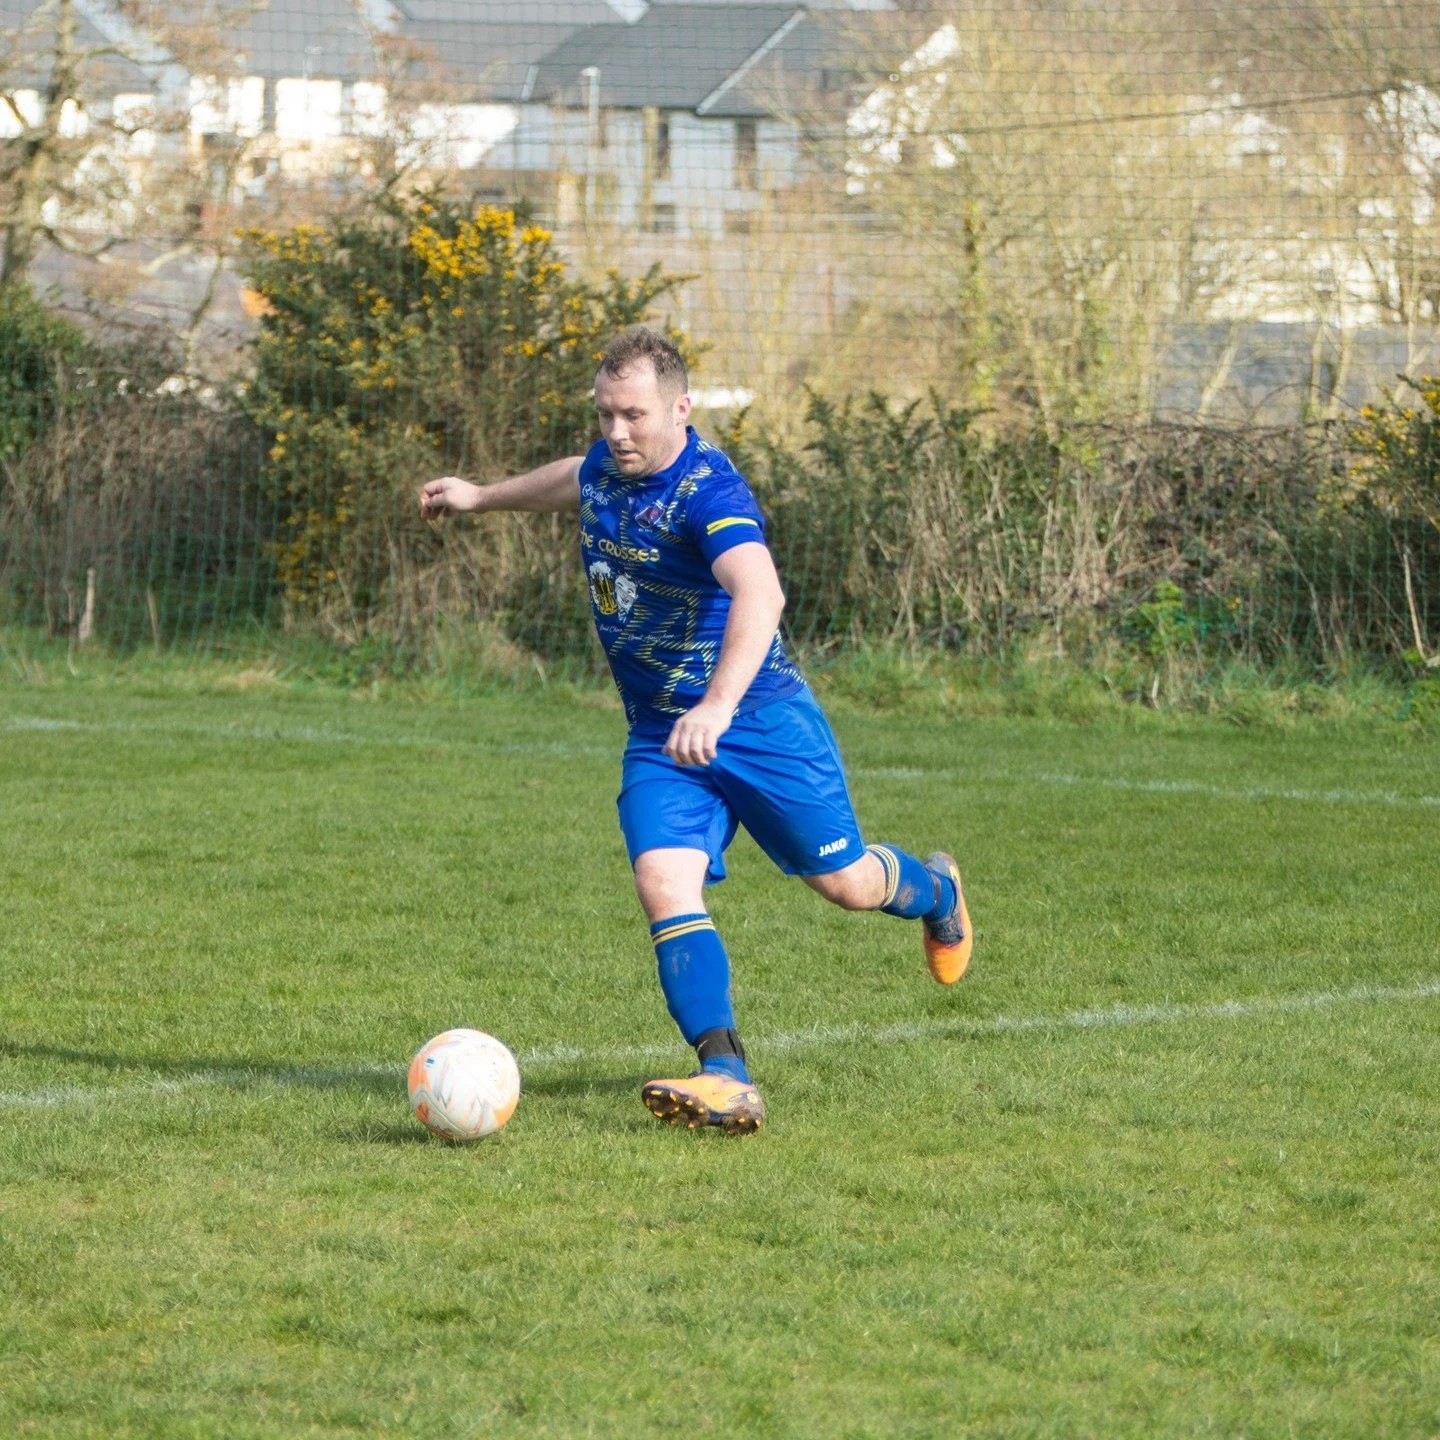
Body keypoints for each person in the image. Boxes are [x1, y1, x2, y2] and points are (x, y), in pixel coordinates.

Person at [419, 326, 971, 1135]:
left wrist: (714, 706)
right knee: (662, 883)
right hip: (660, 736)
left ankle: (938, 889)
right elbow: (575, 480)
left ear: (680, 407)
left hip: (758, 719)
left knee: (847, 885)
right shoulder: (610, 461)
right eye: (605, 413)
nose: (616, 432)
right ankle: (725, 1073)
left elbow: (762, 593)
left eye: (634, 415)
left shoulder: (709, 494)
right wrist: (480, 495)